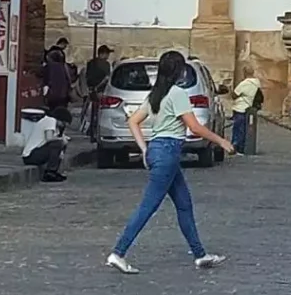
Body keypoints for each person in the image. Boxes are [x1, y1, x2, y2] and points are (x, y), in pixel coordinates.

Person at [106, 50, 235, 275]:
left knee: (184, 204)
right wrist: (220, 140)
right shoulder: (177, 94)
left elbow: (133, 121)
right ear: (179, 71)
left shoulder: (156, 94)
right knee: (148, 207)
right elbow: (194, 127)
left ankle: (200, 254)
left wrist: (145, 149)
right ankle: (118, 252)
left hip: (160, 150)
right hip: (167, 152)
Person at [22, 107, 72, 183]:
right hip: (31, 155)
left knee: (60, 143)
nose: (63, 126)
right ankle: (50, 172)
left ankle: (54, 171)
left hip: (37, 152)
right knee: (57, 143)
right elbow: (49, 138)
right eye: (63, 123)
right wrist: (61, 139)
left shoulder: (55, 127)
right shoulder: (50, 120)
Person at [82, 45, 113, 138]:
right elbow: (107, 78)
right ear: (103, 54)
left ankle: (91, 129)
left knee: (92, 111)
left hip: (91, 90)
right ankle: (96, 130)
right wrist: (99, 86)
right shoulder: (106, 64)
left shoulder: (91, 63)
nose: (108, 56)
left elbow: (87, 76)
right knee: (100, 112)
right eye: (107, 54)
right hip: (101, 90)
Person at [230, 67, 263, 153]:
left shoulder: (244, 83)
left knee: (238, 129)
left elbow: (234, 95)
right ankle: (243, 146)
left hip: (240, 108)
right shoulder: (257, 83)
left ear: (244, 73)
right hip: (249, 107)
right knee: (245, 129)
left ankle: (236, 147)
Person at [42, 45, 73, 114]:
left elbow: (45, 81)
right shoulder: (65, 67)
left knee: (52, 113)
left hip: (53, 96)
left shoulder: (48, 67)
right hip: (63, 96)